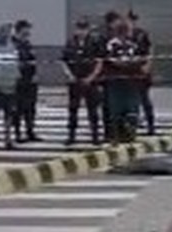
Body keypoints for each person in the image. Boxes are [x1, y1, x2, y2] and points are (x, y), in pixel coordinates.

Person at [61, 17, 103, 146]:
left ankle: (95, 136)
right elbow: (63, 61)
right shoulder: (70, 43)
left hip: (90, 80)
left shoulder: (94, 42)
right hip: (75, 80)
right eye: (79, 28)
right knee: (73, 109)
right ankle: (71, 135)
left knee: (93, 109)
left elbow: (99, 61)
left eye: (84, 29)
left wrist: (92, 77)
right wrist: (69, 75)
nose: (82, 31)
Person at [103, 17, 143, 143]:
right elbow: (109, 60)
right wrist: (124, 63)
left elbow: (140, 58)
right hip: (116, 81)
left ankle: (129, 133)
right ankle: (116, 135)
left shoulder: (133, 44)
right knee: (116, 110)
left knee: (131, 109)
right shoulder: (112, 44)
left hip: (131, 81)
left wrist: (133, 64)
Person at [126, 10, 156, 135]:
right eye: (130, 20)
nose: (132, 23)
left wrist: (147, 66)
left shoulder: (142, 34)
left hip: (142, 71)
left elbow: (150, 50)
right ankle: (133, 124)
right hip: (129, 72)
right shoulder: (124, 35)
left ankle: (151, 124)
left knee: (145, 99)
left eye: (134, 21)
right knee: (131, 100)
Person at [12, 19, 40, 143]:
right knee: (18, 108)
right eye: (25, 31)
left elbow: (33, 61)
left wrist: (35, 74)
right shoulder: (12, 45)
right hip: (18, 79)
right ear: (19, 31)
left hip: (30, 80)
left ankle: (30, 131)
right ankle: (17, 133)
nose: (28, 33)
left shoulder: (28, 44)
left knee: (30, 107)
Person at [99, 10, 123, 142]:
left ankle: (118, 131)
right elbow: (103, 55)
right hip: (108, 75)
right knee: (108, 105)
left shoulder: (118, 35)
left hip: (118, 75)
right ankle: (109, 132)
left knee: (117, 105)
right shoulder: (105, 37)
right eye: (117, 21)